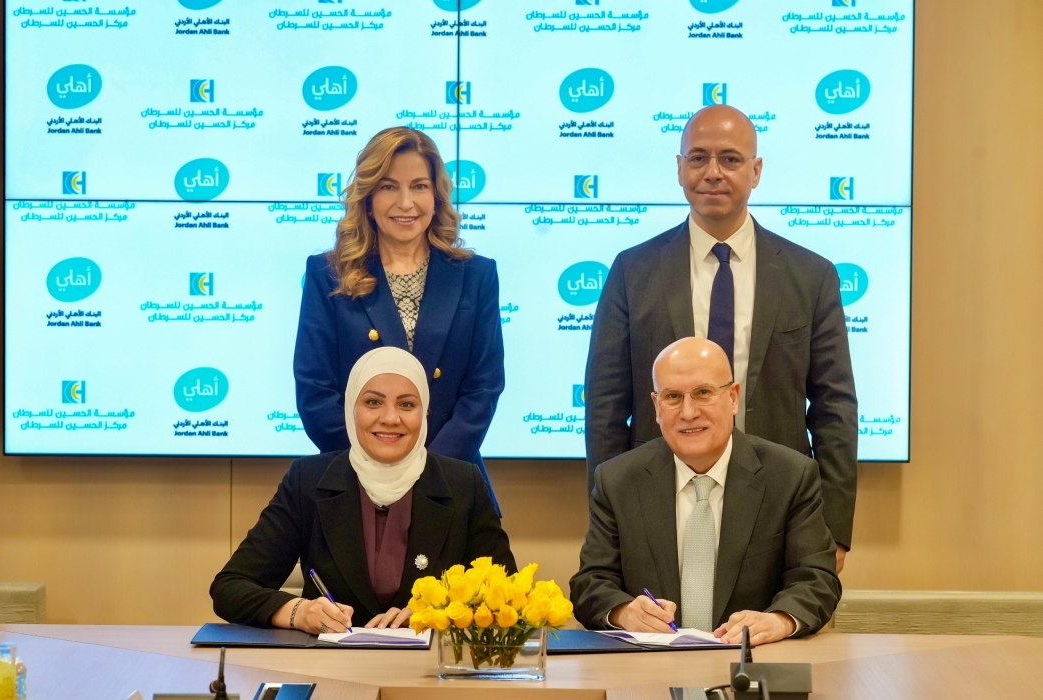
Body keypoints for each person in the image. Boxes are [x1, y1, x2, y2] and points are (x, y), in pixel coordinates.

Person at [584, 105, 857, 571]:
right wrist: (608, 518)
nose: (713, 172)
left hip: (780, 509)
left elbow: (835, 409)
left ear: (756, 171)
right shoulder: (633, 272)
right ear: (679, 168)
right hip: (657, 505)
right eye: (698, 158)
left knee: (778, 621)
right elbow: (605, 406)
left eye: (730, 159)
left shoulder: (811, 276)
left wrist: (832, 528)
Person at [211, 347, 516, 632]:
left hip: (428, 666)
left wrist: (441, 614)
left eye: (407, 404)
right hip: (331, 665)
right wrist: (297, 612)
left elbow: (509, 597)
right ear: (351, 410)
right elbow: (230, 587)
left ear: (424, 413)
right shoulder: (309, 480)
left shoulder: (464, 484)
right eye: (373, 402)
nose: (390, 418)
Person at [570, 338, 840, 645]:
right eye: (673, 397)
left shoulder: (790, 476)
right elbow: (590, 583)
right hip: (650, 665)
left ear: (733, 398)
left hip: (751, 662)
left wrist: (778, 620)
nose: (688, 413)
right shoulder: (617, 480)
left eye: (703, 393)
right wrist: (623, 613)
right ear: (657, 407)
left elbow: (817, 580)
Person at [295, 126, 504, 512]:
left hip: (450, 485)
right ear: (368, 197)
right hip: (354, 488)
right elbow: (315, 391)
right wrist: (377, 472)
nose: (406, 203)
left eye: (419, 186)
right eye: (389, 187)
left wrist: (426, 476)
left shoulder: (476, 275)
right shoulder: (329, 274)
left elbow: (483, 389)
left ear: (436, 196)